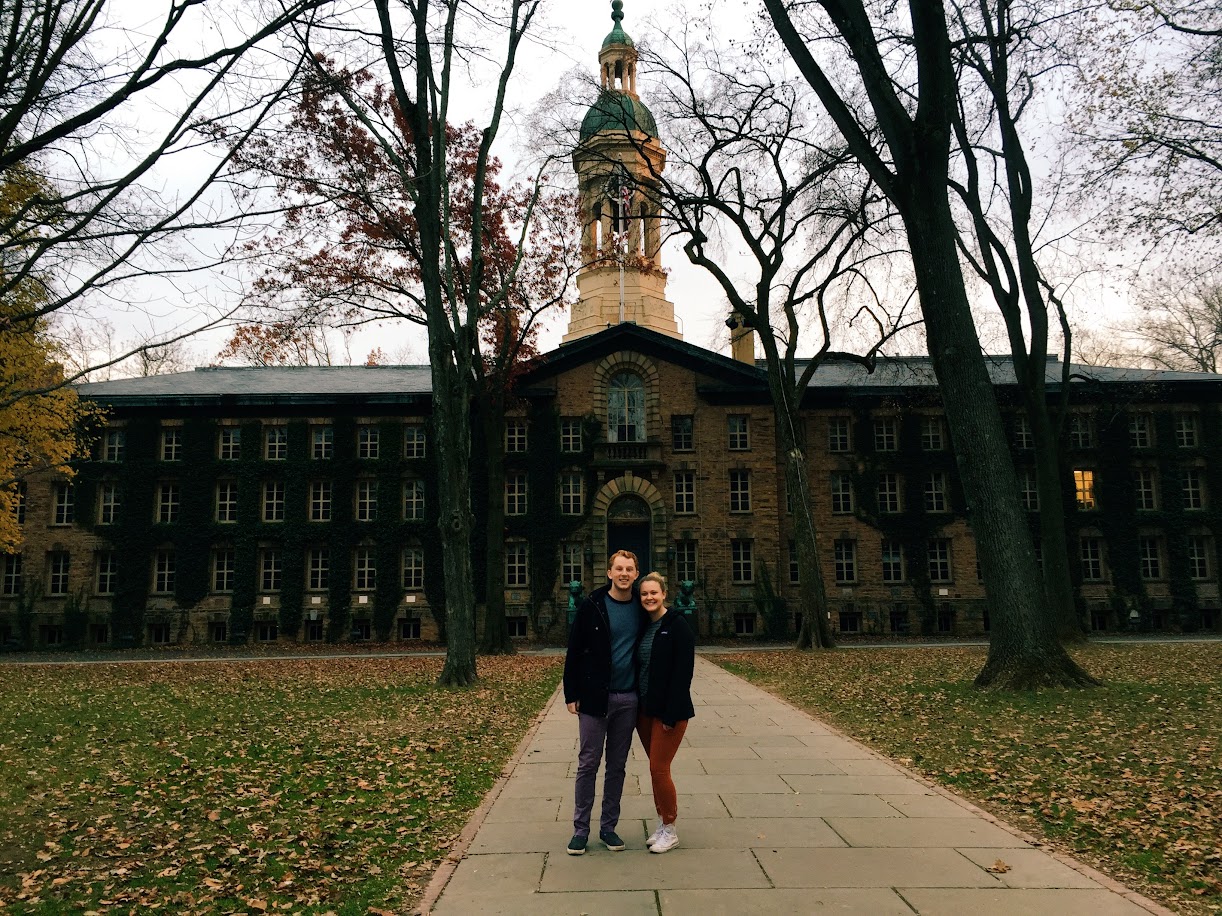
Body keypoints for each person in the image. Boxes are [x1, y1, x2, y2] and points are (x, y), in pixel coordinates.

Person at [562, 549, 646, 855]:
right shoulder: (592, 606)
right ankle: (580, 830)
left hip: (628, 698)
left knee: (617, 766)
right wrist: (572, 693)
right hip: (595, 698)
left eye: (630, 569)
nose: (624, 574)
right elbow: (575, 650)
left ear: (636, 574)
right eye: (619, 568)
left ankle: (608, 827)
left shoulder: (642, 606)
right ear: (609, 573)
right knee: (588, 763)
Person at [635, 571, 695, 854]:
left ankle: (670, 828)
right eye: (644, 594)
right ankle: (662, 823)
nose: (649, 597)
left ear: (664, 595)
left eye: (653, 593)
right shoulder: (644, 626)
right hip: (645, 710)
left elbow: (683, 674)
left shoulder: (677, 624)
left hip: (670, 713)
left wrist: (671, 715)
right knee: (654, 769)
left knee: (659, 768)